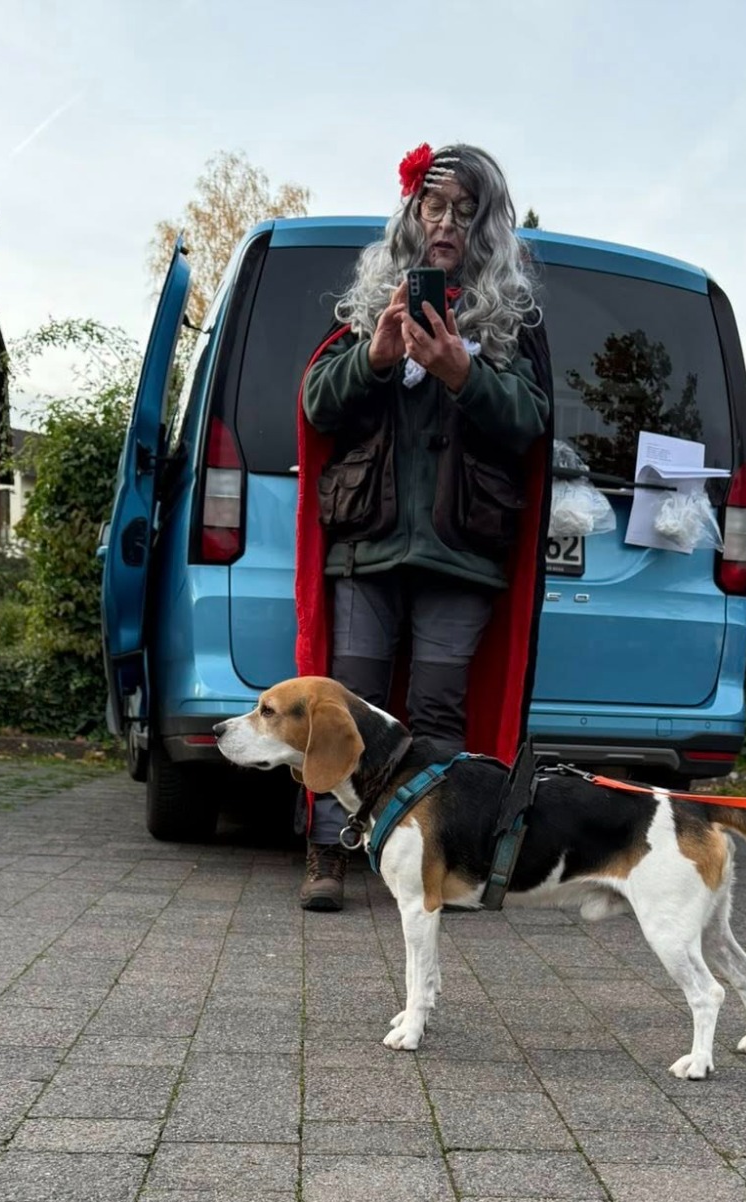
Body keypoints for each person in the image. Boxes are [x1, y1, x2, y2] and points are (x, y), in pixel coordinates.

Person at [293, 143, 552, 911]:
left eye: (465, 212)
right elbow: (316, 406)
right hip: (367, 547)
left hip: (460, 553)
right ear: (411, 214)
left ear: (487, 228)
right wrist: (374, 357)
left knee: (438, 715)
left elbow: (530, 422)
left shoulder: (509, 322)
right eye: (433, 206)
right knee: (347, 707)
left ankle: (439, 862)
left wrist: (461, 374)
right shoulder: (373, 304)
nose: (446, 223)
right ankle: (330, 850)